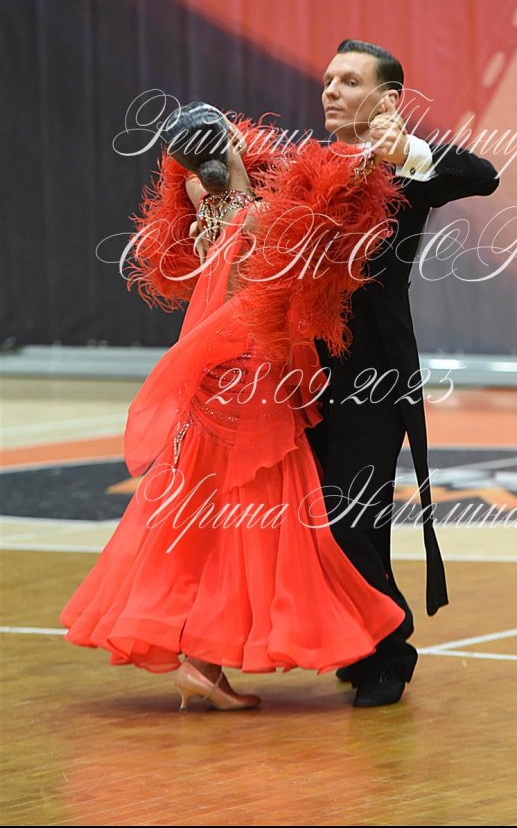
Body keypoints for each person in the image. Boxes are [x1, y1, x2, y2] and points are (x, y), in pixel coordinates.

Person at [58, 107, 410, 712]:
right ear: (233, 146)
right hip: (253, 379)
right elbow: (326, 204)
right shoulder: (260, 214)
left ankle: (204, 664)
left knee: (213, 517)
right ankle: (206, 662)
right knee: (254, 519)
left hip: (217, 380)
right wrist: (374, 155)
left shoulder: (206, 200)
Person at [305, 39, 501, 707]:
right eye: (328, 80)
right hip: (297, 368)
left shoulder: (407, 171)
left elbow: (483, 175)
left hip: (372, 373)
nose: (331, 90)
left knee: (350, 515)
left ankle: (390, 652)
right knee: (315, 513)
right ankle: (363, 644)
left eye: (348, 81)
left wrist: (408, 151)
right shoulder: (308, 168)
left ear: (387, 99)